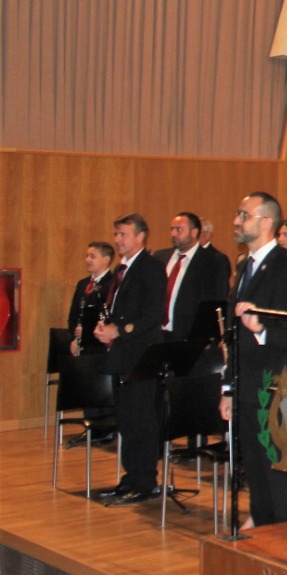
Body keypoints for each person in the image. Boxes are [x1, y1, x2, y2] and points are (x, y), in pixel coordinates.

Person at [222, 192, 287, 527]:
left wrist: (261, 329)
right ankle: (261, 524)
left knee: (279, 468)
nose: (236, 221)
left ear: (267, 222)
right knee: (255, 467)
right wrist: (228, 387)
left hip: (278, 384)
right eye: (238, 213)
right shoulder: (245, 266)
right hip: (246, 381)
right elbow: (232, 335)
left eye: (244, 215)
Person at [90, 213, 167, 505]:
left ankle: (145, 481)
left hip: (141, 355)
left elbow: (151, 316)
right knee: (126, 419)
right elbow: (118, 310)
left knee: (141, 419)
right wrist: (105, 328)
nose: (118, 240)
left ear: (140, 236)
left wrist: (120, 330)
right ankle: (130, 477)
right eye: (116, 234)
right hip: (123, 355)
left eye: (123, 234)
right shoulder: (122, 269)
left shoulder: (151, 268)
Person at [159, 211, 230, 341]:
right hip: (158, 335)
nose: (173, 234)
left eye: (179, 229)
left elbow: (214, 301)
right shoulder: (160, 257)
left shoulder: (213, 261)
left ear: (194, 232)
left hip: (189, 337)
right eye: (172, 229)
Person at [67, 241, 115, 359]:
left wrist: (87, 332)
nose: (87, 260)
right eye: (87, 256)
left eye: (92, 256)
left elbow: (109, 317)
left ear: (106, 260)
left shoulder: (112, 284)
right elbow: (73, 315)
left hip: (101, 348)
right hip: (82, 347)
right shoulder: (82, 284)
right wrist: (74, 339)